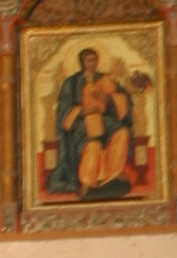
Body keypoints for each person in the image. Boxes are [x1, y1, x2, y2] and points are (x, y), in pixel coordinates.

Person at [50, 44, 136, 201]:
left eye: (95, 60)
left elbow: (122, 100)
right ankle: (88, 181)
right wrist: (83, 111)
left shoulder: (105, 79)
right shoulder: (72, 82)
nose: (92, 63)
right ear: (82, 62)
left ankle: (114, 173)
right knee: (92, 143)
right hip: (81, 121)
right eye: (89, 60)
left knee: (122, 132)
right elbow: (64, 109)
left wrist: (108, 100)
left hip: (104, 118)